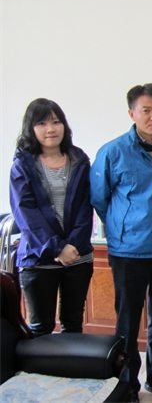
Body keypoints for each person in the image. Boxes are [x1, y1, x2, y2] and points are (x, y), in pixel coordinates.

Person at [90, 84, 152, 403]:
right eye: (146, 110)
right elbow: (99, 199)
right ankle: (127, 384)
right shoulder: (113, 151)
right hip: (128, 251)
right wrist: (124, 227)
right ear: (132, 113)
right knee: (127, 324)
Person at [10, 98, 94, 338]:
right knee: (40, 328)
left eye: (56, 122)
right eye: (42, 123)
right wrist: (57, 248)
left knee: (73, 325)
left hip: (77, 257)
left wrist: (72, 247)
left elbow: (85, 207)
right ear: (31, 128)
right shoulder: (22, 165)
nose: (51, 129)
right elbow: (26, 214)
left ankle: (70, 365)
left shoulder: (79, 160)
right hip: (39, 258)